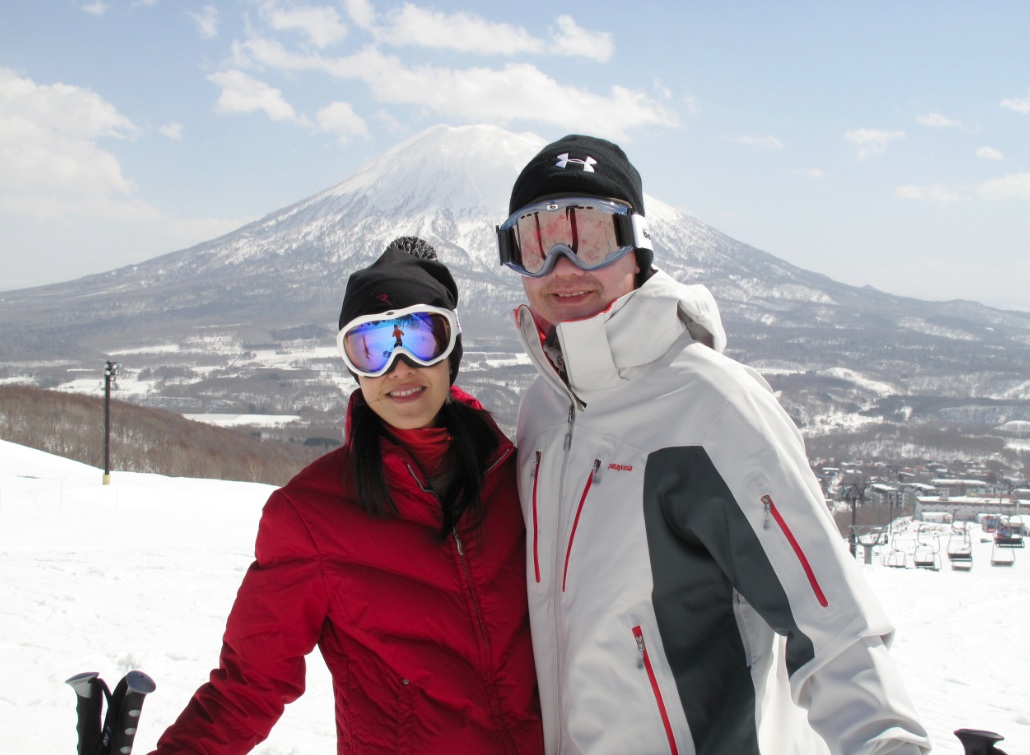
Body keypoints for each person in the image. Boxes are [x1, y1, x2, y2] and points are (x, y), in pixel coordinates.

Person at [495, 135, 931, 754]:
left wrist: (887, 742)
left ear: (637, 246)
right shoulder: (542, 408)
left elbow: (834, 624)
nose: (563, 265)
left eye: (591, 234)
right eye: (538, 241)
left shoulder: (712, 406)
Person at [151, 237, 544, 754]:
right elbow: (250, 684)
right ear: (354, 369)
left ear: (453, 351)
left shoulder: (519, 476)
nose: (400, 367)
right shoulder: (310, 515)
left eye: (421, 338)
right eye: (373, 348)